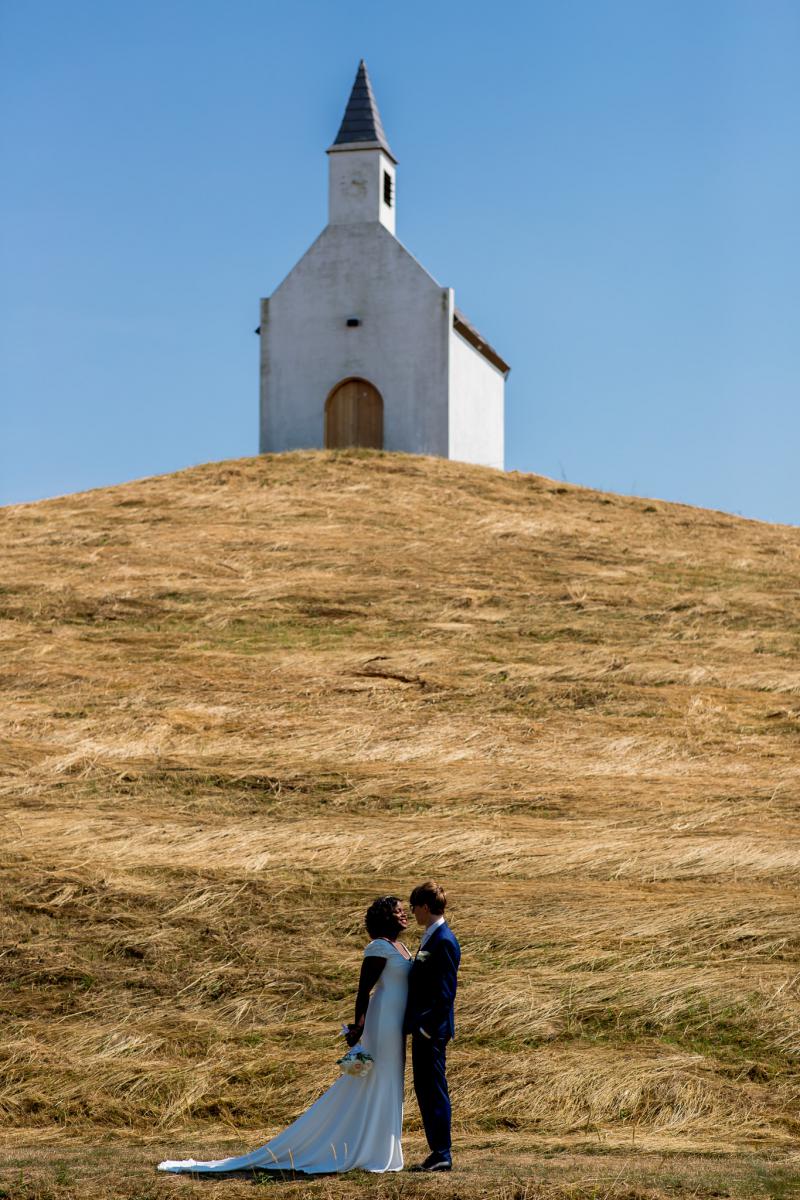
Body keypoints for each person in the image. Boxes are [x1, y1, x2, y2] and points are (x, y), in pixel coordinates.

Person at [157, 896, 412, 1176]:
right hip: (382, 1023)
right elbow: (363, 990)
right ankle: (362, 1146)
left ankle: (379, 1146)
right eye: (398, 911)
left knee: (388, 1080)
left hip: (396, 1024)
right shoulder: (379, 947)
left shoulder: (402, 947)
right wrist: (359, 1027)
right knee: (375, 1079)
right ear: (385, 917)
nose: (404, 914)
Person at [404, 880, 461, 1173]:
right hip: (425, 1030)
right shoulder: (431, 937)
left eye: (414, 907)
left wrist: (425, 1027)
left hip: (432, 1032)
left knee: (433, 1089)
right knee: (425, 1089)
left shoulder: (444, 941)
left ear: (425, 907)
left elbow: (445, 994)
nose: (412, 912)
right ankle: (437, 1150)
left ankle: (442, 1152)